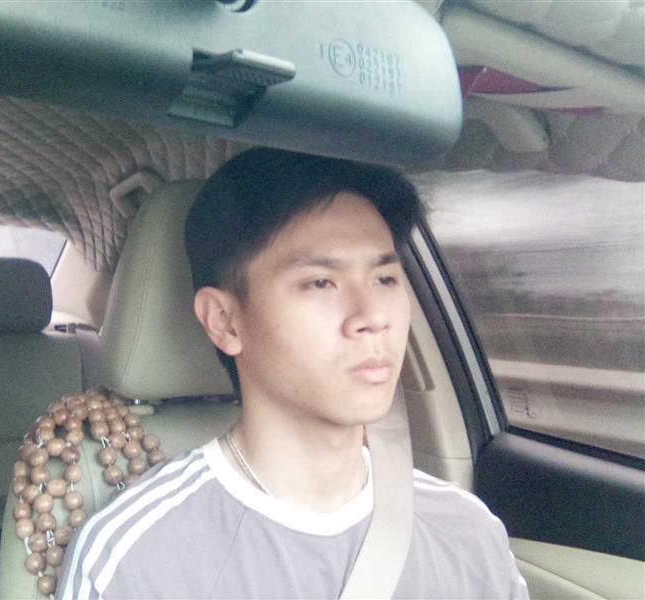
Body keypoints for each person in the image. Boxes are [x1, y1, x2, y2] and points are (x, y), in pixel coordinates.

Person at [57, 149, 529, 599]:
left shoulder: (469, 534)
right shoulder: (137, 560)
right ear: (225, 321)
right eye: (321, 282)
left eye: (385, 279)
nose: (373, 316)